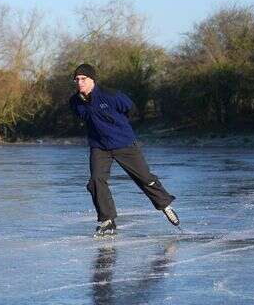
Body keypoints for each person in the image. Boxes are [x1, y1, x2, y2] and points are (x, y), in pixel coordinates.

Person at [69, 63, 179, 236]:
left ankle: (165, 204)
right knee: (96, 181)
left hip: (124, 143)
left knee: (144, 177)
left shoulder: (110, 95)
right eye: (77, 79)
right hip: (99, 147)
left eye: (83, 79)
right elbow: (83, 117)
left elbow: (130, 108)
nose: (79, 82)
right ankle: (107, 220)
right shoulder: (75, 102)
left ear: (93, 80)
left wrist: (118, 126)